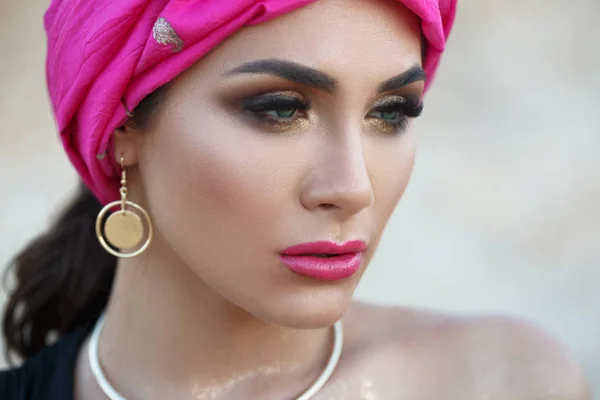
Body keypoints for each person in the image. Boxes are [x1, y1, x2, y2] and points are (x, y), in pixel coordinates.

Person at [0, 0, 591, 398]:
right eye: (281, 109)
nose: (353, 186)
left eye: (391, 113)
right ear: (121, 129)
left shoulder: (503, 379)